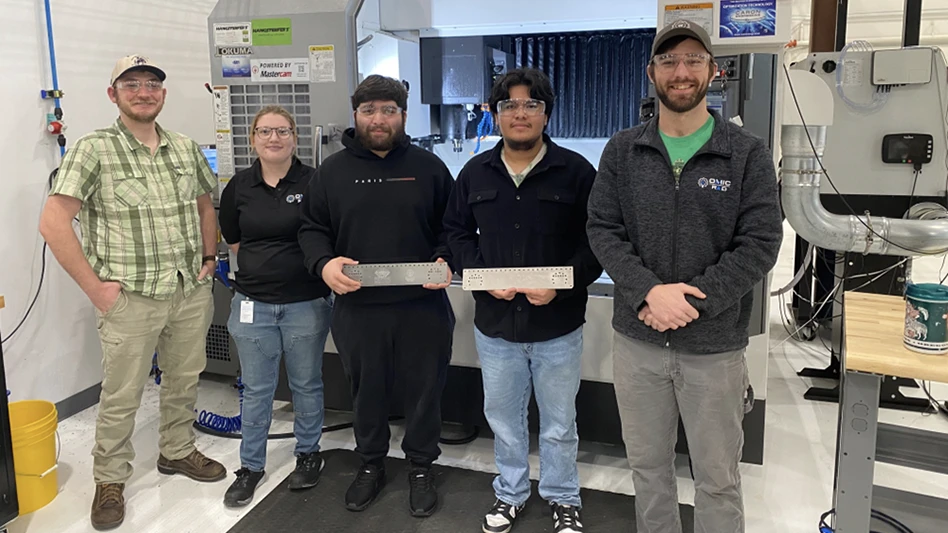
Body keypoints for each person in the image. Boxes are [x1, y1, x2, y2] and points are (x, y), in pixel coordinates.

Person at [586, 21, 782, 533]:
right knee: (648, 470)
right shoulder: (623, 151)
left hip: (714, 350)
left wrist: (691, 303)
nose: (681, 71)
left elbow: (761, 243)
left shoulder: (746, 154)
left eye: (694, 59)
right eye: (669, 61)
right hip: (639, 343)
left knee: (717, 478)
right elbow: (603, 229)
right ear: (652, 73)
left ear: (714, 71)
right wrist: (647, 290)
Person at [39, 55, 226, 531]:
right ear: (113, 94)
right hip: (130, 297)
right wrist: (96, 289)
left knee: (185, 379)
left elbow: (206, 206)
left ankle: (177, 450)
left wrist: (209, 260)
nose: (144, 92)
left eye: (152, 85)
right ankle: (110, 481)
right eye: (132, 84)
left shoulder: (184, 148)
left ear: (162, 94)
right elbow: (53, 222)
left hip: (188, 289)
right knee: (122, 395)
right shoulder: (92, 149)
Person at [443, 68, 601, 533]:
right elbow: (456, 233)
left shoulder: (575, 172)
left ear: (545, 113)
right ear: (494, 114)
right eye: (509, 105)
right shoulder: (475, 172)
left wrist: (564, 282)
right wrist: (480, 277)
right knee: (505, 420)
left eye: (531, 104)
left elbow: (599, 242)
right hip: (495, 325)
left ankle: (562, 496)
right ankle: (510, 493)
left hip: (557, 326)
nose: (520, 113)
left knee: (558, 422)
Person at [298, 74, 456, 517]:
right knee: (365, 391)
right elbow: (311, 230)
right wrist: (324, 264)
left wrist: (446, 259)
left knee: (426, 391)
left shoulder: (429, 168)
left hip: (423, 306)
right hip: (358, 308)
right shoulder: (332, 172)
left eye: (389, 110)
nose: (379, 119)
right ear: (356, 115)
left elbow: (453, 228)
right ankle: (370, 463)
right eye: (369, 110)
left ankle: (421, 467)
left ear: (403, 115)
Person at [217, 106, 334, 507]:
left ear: (294, 137)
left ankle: (308, 454)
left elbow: (327, 234)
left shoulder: (315, 182)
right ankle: (250, 467)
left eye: (282, 131)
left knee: (306, 384)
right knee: (257, 389)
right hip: (253, 305)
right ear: (253, 138)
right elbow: (234, 239)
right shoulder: (240, 186)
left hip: (306, 303)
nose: (273, 138)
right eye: (265, 131)